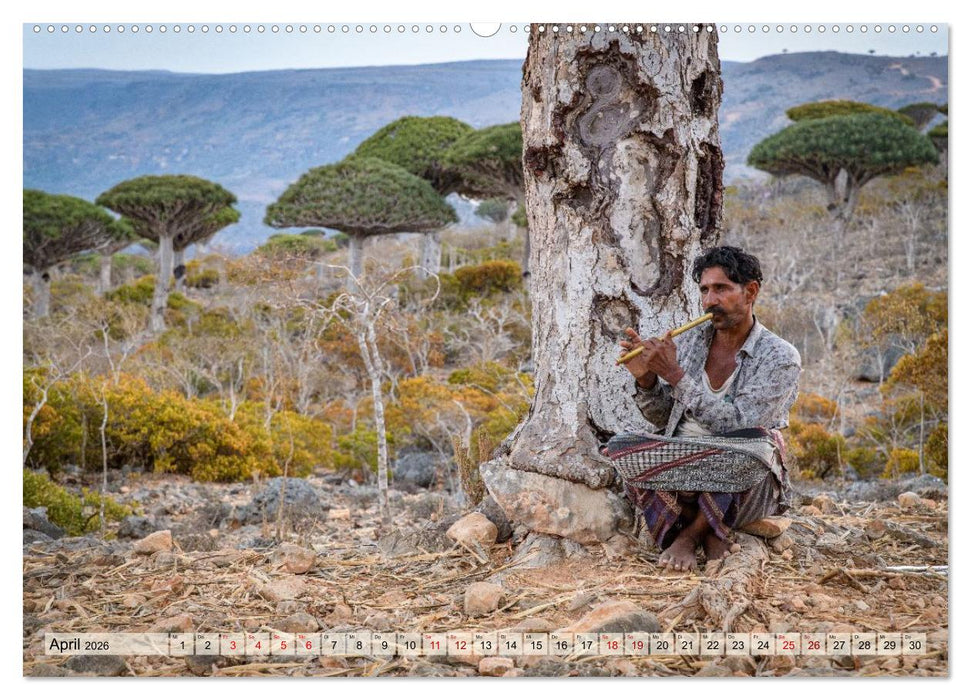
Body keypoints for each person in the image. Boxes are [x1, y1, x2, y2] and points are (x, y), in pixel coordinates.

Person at [616, 246, 801, 572]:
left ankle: (690, 535)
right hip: (686, 461)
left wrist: (674, 374)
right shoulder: (688, 343)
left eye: (721, 289)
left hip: (740, 470)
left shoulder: (780, 356)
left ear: (750, 292)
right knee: (623, 447)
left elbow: (739, 424)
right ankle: (713, 528)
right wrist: (645, 379)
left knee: (756, 445)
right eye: (704, 290)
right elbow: (665, 417)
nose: (710, 300)